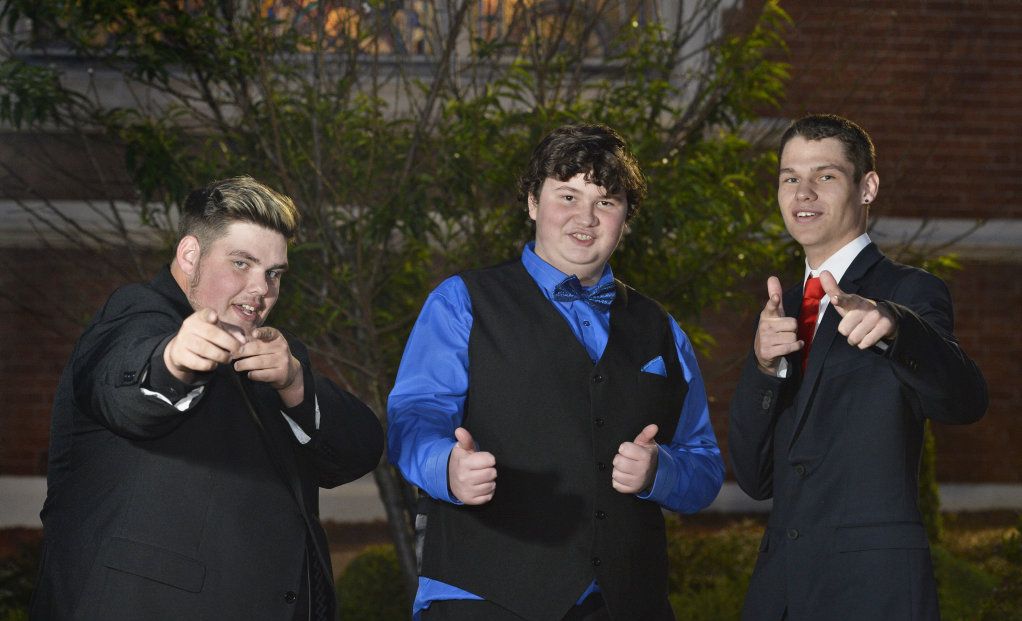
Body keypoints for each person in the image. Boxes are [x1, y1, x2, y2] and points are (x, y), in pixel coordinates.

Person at [388, 123, 724, 621]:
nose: (585, 218)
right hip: (485, 596)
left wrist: (661, 472)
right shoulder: (462, 303)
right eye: (567, 195)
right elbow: (413, 416)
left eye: (606, 202)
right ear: (532, 203)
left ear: (626, 218)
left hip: (624, 602)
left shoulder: (661, 329)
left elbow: (705, 464)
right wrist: (447, 469)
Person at [30, 176, 384, 620]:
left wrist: (295, 383)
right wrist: (174, 361)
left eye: (274, 273)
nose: (262, 289)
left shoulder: (273, 354)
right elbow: (124, 386)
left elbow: (361, 450)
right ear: (190, 254)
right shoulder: (135, 313)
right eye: (241, 263)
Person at [728, 114, 988, 620]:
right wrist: (763, 366)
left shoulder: (908, 293)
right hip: (779, 594)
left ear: (866, 187)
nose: (802, 193)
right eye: (789, 178)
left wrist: (895, 327)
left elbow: (965, 400)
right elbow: (755, 478)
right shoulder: (777, 310)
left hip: (871, 593)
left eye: (824, 176)